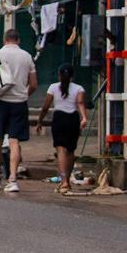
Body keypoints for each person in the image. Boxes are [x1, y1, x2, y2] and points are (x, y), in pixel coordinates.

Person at [0, 26, 36, 192]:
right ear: (18, 40)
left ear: (4, 40)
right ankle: (13, 179)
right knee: (14, 142)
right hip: (19, 103)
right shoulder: (27, 56)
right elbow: (34, 84)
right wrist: (24, 94)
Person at [39, 64, 89, 194]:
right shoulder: (79, 88)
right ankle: (67, 181)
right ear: (72, 76)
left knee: (61, 150)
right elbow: (80, 103)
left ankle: (64, 181)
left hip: (59, 119)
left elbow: (45, 107)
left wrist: (40, 121)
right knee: (70, 151)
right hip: (73, 120)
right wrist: (84, 118)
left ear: (59, 75)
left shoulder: (53, 87)